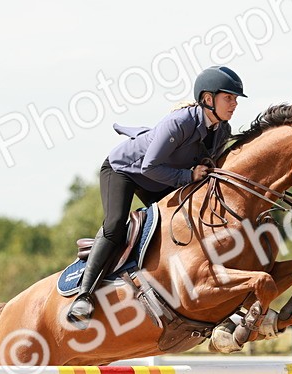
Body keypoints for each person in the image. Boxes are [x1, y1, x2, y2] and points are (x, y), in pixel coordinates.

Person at [66, 65, 247, 326]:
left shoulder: (221, 131)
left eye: (236, 99)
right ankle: (84, 294)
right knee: (116, 224)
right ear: (208, 99)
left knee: (188, 224)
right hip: (125, 170)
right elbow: (147, 167)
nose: (234, 104)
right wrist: (188, 177)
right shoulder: (180, 122)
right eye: (229, 98)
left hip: (161, 175)